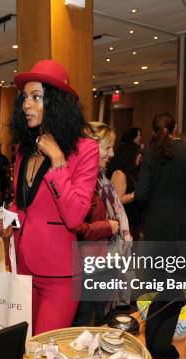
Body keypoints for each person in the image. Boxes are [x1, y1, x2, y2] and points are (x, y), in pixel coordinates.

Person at [9, 59, 99, 335]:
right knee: (23, 349)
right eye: (25, 98)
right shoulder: (23, 149)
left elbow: (75, 217)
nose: (27, 105)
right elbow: (21, 202)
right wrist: (6, 220)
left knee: (45, 352)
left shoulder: (86, 150)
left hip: (59, 275)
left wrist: (57, 160)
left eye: (36, 97)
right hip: (22, 268)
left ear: (57, 104)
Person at [72, 122, 132, 326]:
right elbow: (76, 225)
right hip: (88, 265)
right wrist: (109, 226)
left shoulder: (100, 180)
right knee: (84, 325)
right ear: (90, 148)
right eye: (107, 147)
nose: (112, 153)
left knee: (100, 321)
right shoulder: (82, 181)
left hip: (103, 262)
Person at [135, 113, 186, 241]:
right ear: (175, 128)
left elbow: (140, 195)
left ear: (153, 132)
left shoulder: (149, 154)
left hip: (156, 226)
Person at [108, 141, 142, 239]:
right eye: (137, 153)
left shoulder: (130, 172)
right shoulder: (120, 173)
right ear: (129, 155)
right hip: (126, 221)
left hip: (133, 220)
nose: (140, 155)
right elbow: (118, 200)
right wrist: (137, 194)